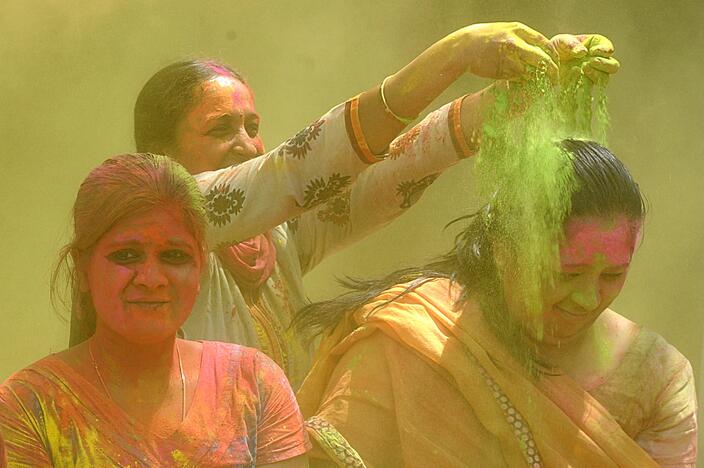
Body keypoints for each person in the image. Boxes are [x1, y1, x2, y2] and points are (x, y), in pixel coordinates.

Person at [76, 23, 619, 389]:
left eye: (253, 126)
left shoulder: (272, 236)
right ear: (159, 155)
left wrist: (507, 102)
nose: (247, 143)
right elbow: (301, 168)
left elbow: (388, 175)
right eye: (221, 129)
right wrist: (455, 53)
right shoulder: (173, 209)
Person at [295, 140, 698, 466]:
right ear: (504, 249)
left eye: (613, 275)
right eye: (567, 273)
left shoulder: (655, 376)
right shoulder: (409, 339)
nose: (588, 297)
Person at [0, 154, 310, 466]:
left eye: (174, 255)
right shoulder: (30, 405)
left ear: (200, 267)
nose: (151, 280)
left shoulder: (253, 384)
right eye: (127, 254)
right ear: (82, 269)